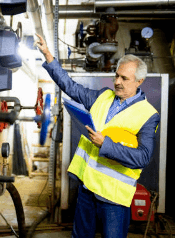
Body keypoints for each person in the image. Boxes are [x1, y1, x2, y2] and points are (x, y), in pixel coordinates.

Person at [35, 33, 160, 238]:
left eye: (124, 78)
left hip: (114, 196)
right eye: (116, 76)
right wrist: (49, 56)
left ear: (140, 81)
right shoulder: (103, 96)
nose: (117, 82)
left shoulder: (148, 115)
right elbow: (71, 87)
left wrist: (106, 144)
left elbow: (142, 157)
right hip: (88, 188)